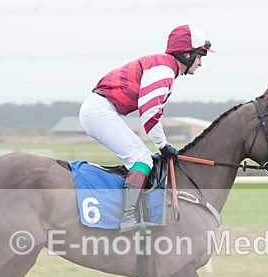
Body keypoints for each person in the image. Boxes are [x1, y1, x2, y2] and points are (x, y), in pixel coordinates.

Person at [79, 24, 212, 231]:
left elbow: (153, 112)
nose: (201, 63)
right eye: (199, 56)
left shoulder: (166, 68)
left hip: (101, 109)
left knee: (142, 158)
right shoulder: (164, 70)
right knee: (141, 159)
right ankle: (128, 218)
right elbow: (149, 112)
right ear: (186, 54)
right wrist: (163, 145)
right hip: (99, 111)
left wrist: (162, 144)